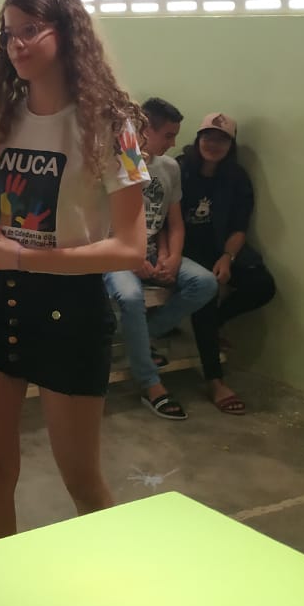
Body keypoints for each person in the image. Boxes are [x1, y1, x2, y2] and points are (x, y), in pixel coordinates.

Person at [0, 0, 148, 543]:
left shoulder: (114, 125)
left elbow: (131, 248)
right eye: (8, 34)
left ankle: (112, 581)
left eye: (30, 30)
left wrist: (23, 256)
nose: (16, 45)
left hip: (71, 309)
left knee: (82, 481)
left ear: (66, 34)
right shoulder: (1, 116)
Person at [103, 98, 217, 421]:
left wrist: (174, 256)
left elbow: (174, 222)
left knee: (205, 283)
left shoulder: (169, 168)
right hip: (116, 252)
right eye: (168, 135)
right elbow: (101, 226)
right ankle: (150, 383)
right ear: (145, 130)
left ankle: (142, 337)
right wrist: (133, 255)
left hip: (153, 250)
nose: (174, 143)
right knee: (130, 296)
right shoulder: (117, 163)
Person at [180, 113, 276, 415]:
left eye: (222, 139)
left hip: (221, 248)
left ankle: (216, 323)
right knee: (205, 290)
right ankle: (215, 381)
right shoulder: (179, 169)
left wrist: (227, 257)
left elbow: (238, 227)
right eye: (208, 137)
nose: (213, 144)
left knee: (263, 285)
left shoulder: (236, 178)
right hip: (183, 250)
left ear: (231, 144)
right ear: (198, 139)